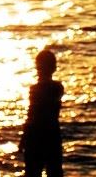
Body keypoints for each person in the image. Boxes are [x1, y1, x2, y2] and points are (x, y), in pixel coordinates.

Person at [19, 48, 64, 177]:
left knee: (33, 172)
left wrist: (24, 138)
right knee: (54, 171)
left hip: (35, 137)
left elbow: (31, 115)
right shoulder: (57, 87)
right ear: (54, 68)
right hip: (52, 136)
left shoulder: (36, 90)